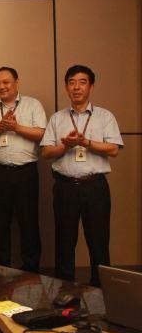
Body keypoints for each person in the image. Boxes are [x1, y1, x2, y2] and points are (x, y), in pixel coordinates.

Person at [41, 65, 122, 287]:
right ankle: (64, 290)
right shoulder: (57, 118)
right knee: (64, 242)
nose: (76, 87)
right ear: (66, 87)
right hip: (65, 187)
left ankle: (101, 291)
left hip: (94, 186)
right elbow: (46, 152)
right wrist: (66, 146)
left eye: (82, 82)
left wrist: (86, 142)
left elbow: (113, 149)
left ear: (91, 86)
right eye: (72, 82)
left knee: (99, 242)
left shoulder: (105, 116)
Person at [0, 67, 46, 272]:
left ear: (17, 82)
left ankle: (31, 270)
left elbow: (41, 134)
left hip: (26, 172)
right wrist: (0, 127)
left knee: (29, 222)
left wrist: (16, 127)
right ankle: (2, 269)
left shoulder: (33, 105)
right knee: (0, 223)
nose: (1, 86)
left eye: (6, 82)